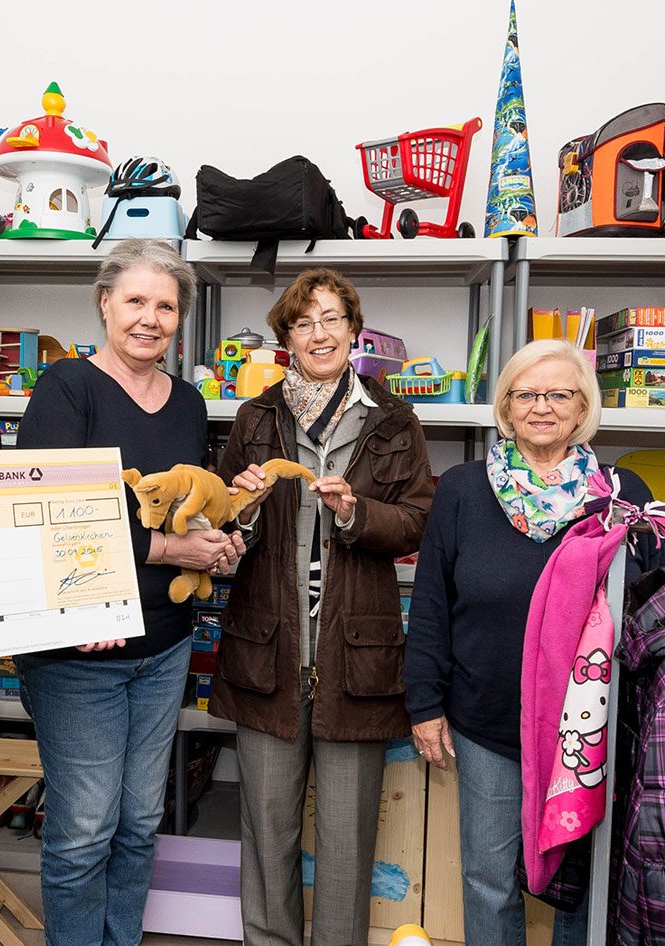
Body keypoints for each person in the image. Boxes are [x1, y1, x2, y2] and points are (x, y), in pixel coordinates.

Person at [404, 338, 665, 945]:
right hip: (486, 717)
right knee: (489, 878)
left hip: (591, 724)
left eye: (559, 394)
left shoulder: (622, 493)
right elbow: (432, 604)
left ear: (583, 409)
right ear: (505, 405)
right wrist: (424, 704)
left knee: (585, 879)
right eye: (526, 393)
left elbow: (652, 605)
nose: (542, 407)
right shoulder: (464, 490)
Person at [14, 239, 242, 946]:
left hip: (164, 643)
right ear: (105, 302)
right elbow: (51, 514)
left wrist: (217, 542)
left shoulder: (189, 401)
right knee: (84, 832)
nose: (150, 318)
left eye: (166, 306)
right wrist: (174, 549)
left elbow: (179, 505)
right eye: (136, 301)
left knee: (140, 823)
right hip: (79, 651)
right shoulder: (67, 387)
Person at [214, 267, 433, 946]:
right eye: (304, 322)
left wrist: (356, 512)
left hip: (354, 663)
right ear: (287, 338)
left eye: (333, 318)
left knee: (345, 848)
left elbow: (418, 521)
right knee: (266, 836)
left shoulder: (393, 419)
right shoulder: (255, 418)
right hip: (267, 657)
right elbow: (215, 526)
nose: (320, 333)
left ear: (353, 330)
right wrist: (239, 507)